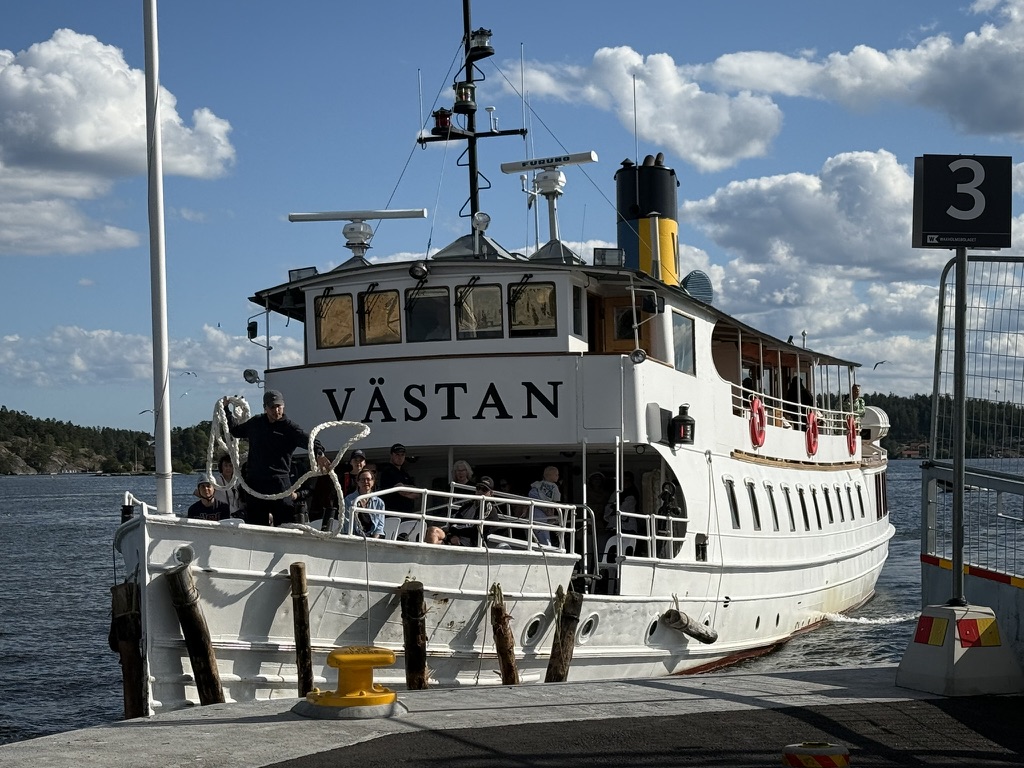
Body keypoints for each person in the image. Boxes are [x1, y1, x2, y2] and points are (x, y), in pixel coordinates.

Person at [223, 389, 331, 526]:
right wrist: (226, 409)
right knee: (257, 527)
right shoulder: (256, 423)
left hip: (279, 484)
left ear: (283, 406)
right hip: (256, 484)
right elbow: (236, 431)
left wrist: (320, 454)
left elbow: (312, 442)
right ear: (265, 408)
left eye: (278, 406)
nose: (276, 410)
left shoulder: (290, 428)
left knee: (285, 526)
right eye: (272, 407)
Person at [447, 476, 499, 547]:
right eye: (478, 488)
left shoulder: (490, 510)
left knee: (434, 533)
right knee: (432, 531)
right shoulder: (468, 505)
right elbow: (453, 520)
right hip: (454, 539)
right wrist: (453, 535)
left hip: (468, 544)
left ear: (491, 493)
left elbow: (476, 530)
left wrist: (455, 530)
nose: (480, 491)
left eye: (484, 489)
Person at [376, 443, 418, 514]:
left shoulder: (404, 473)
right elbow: (400, 490)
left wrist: (405, 489)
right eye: (397, 454)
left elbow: (417, 493)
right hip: (392, 513)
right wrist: (409, 490)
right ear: (391, 455)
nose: (400, 457)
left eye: (402, 455)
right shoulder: (388, 471)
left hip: (407, 513)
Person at [343, 469, 385, 538]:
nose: (366, 482)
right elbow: (346, 523)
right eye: (362, 480)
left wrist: (374, 541)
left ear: (373, 482)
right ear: (358, 482)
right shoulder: (349, 500)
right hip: (353, 537)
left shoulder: (379, 503)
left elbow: (379, 526)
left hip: (373, 538)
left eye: (368, 479)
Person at [528, 466, 561, 546]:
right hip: (542, 512)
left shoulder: (537, 484)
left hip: (535, 511)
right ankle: (546, 549)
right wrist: (550, 514)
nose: (558, 476)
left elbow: (531, 494)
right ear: (548, 475)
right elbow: (554, 503)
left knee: (536, 534)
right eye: (556, 474)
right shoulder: (554, 487)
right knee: (544, 537)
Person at [214, 454, 246, 518]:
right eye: (225, 466)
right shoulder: (217, 481)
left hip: (238, 514)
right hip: (224, 514)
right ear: (221, 467)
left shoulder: (237, 481)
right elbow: (220, 500)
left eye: (230, 466)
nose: (228, 468)